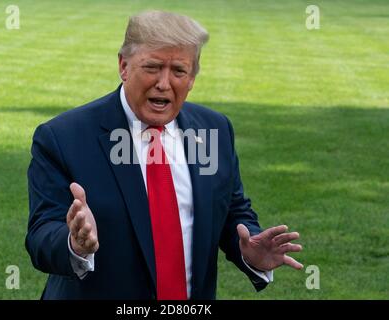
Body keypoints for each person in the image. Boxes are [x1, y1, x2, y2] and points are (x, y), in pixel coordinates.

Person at [26, 10, 303, 300]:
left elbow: (232, 209)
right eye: (152, 67)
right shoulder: (62, 137)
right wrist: (73, 243)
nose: (164, 83)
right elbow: (41, 233)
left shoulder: (214, 130)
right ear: (123, 65)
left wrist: (250, 250)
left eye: (178, 71)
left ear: (193, 77)